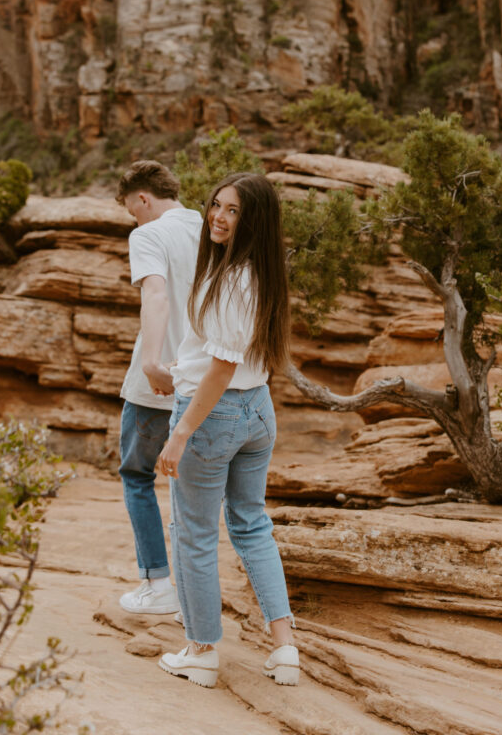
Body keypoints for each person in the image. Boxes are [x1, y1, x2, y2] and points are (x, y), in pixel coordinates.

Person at [156, 172, 299, 688]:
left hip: (212, 414)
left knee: (193, 531)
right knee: (250, 523)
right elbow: (229, 359)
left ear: (253, 219)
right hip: (256, 409)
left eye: (233, 210)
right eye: (216, 205)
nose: (218, 216)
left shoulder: (233, 279)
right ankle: (284, 647)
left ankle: (201, 650)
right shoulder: (259, 273)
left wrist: (181, 432)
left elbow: (219, 367)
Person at [116, 160, 202, 615]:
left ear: (143, 198)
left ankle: (158, 584)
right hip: (207, 382)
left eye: (133, 209)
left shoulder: (148, 235)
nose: (134, 218)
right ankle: (196, 594)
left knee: (137, 478)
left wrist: (151, 363)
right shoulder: (208, 226)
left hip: (159, 384)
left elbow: (156, 293)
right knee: (194, 490)